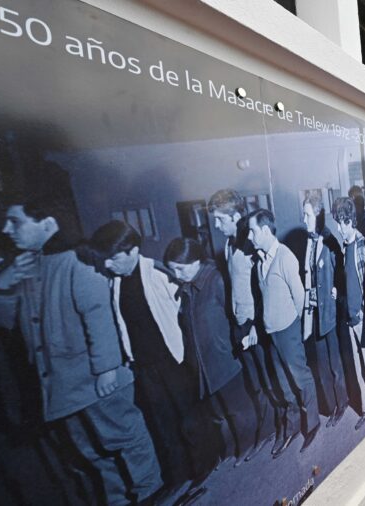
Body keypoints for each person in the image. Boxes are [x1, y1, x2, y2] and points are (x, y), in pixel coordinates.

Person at [0, 195, 162, 505]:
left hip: (98, 379)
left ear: (47, 223)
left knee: (125, 438)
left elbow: (98, 311)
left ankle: (151, 494)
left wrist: (107, 366)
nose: (6, 229)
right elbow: (9, 321)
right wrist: (3, 285)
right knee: (90, 455)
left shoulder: (77, 258)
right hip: (60, 387)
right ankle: (120, 501)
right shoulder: (27, 264)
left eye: (15, 221)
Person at [89, 221, 195, 490]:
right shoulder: (116, 283)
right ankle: (179, 476)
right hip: (145, 367)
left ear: (133, 251)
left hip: (172, 360)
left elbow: (183, 311)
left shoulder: (158, 273)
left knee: (187, 416)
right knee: (162, 423)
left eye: (113, 259)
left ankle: (203, 463)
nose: (108, 265)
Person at [164, 238, 258, 473]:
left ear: (196, 261)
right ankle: (231, 447)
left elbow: (234, 315)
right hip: (203, 366)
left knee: (238, 408)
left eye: (180, 268)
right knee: (218, 413)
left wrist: (235, 345)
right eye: (172, 269)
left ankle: (249, 443)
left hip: (225, 358)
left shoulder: (215, 280)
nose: (175, 274)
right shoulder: (186, 289)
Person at [208, 189, 277, 461]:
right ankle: (267, 426)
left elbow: (263, 285)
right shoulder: (227, 245)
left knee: (267, 376)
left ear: (235, 216)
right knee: (254, 380)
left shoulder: (249, 244)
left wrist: (255, 326)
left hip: (255, 323)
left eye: (219, 219)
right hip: (239, 322)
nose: (215, 225)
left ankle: (278, 424)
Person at [247, 209, 320, 455]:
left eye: (253, 231)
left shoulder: (285, 257)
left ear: (266, 231)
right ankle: (292, 428)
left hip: (288, 331)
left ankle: (312, 425)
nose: (249, 236)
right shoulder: (259, 262)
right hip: (271, 335)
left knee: (301, 379)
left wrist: (297, 331)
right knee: (283, 385)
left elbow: (300, 298)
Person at [334, 197, 365, 430]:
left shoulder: (363, 246)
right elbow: (350, 282)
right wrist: (340, 293)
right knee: (357, 367)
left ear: (349, 221)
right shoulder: (346, 247)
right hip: (349, 316)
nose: (338, 229)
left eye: (340, 224)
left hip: (362, 318)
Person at [301, 194, 348, 428]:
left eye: (307, 214)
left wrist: (337, 291)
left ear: (318, 215)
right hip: (315, 315)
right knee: (321, 364)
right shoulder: (308, 242)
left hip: (330, 312)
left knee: (335, 364)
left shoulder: (329, 241)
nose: (304, 219)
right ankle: (331, 406)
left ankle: (343, 402)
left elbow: (341, 272)